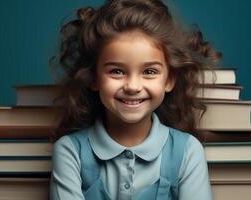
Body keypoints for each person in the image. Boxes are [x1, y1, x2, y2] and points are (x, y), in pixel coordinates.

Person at [49, 0, 221, 199]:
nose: (132, 86)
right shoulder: (70, 151)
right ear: (94, 78)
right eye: (117, 71)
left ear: (169, 79)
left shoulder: (188, 151)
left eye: (149, 71)